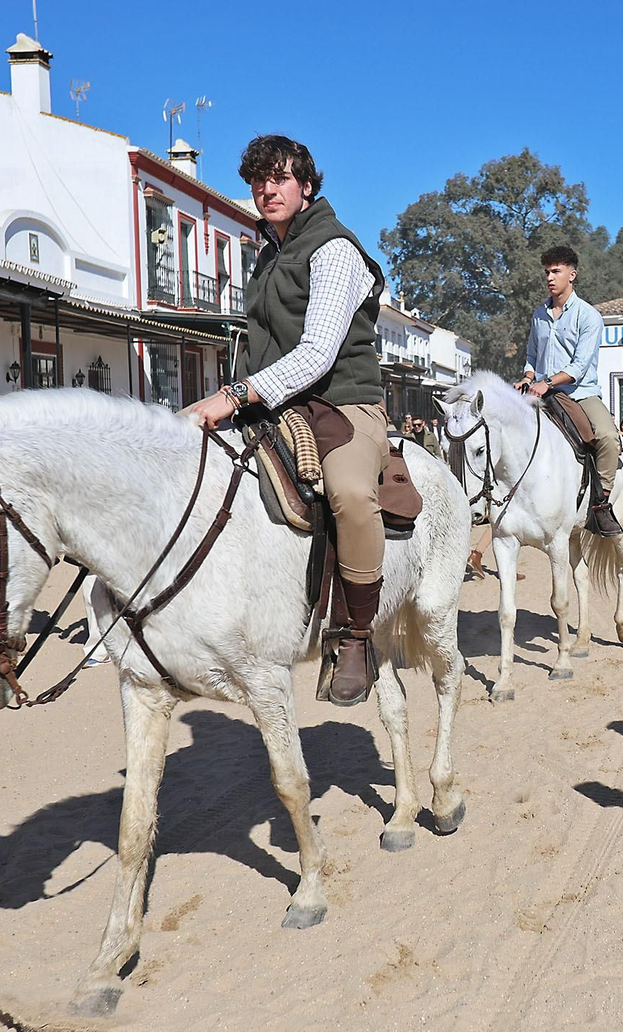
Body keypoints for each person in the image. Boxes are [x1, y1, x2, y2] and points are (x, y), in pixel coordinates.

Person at [186, 134, 390, 708]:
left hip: (343, 401)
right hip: (275, 402)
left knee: (351, 494)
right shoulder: (269, 253)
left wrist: (234, 395)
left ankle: (355, 635)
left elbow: (318, 354)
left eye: (279, 178)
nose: (267, 190)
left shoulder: (334, 249)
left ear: (306, 184)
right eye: (258, 181)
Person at [515, 245, 623, 537]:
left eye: (556, 271)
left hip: (579, 393)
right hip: (540, 392)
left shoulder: (588, 316)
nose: (549, 277)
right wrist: (527, 377)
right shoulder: (539, 315)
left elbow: (579, 365)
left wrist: (547, 382)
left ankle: (601, 503)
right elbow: (532, 355)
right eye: (547, 272)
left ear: (572, 275)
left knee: (608, 437)